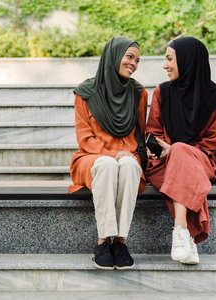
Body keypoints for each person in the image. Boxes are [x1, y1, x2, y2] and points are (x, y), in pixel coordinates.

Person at [145, 37, 216, 265]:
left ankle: (181, 229)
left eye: (170, 59)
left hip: (201, 160)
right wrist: (158, 148)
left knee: (181, 152)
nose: (164, 65)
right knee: (179, 158)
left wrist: (174, 150)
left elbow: (210, 144)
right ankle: (188, 237)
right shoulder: (162, 92)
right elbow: (153, 131)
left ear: (188, 61)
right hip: (162, 164)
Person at [69, 36, 148, 270]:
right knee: (108, 165)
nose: (134, 63)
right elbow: (84, 138)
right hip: (91, 158)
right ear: (114, 56)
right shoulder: (85, 92)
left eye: (137, 60)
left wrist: (132, 156)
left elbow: (140, 137)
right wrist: (112, 155)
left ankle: (120, 242)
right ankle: (104, 241)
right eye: (129, 57)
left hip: (127, 158)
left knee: (130, 165)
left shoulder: (139, 93)